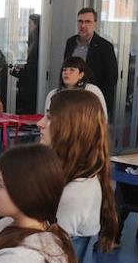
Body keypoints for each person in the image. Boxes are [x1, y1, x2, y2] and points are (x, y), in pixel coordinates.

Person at [39, 89, 119, 250]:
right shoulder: (74, 175)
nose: (39, 123)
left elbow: (42, 252)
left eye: (48, 117)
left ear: (70, 128)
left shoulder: (75, 193)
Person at [62, 7, 118, 115]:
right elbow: (66, 68)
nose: (83, 26)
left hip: (92, 99)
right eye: (80, 21)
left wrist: (99, 100)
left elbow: (111, 78)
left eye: (87, 22)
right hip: (71, 98)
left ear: (95, 24)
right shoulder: (71, 42)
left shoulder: (105, 46)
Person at [14, 13, 40, 115]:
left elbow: (32, 66)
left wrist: (21, 71)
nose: (27, 26)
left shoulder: (37, 43)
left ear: (36, 25)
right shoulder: (33, 41)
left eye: (30, 23)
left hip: (31, 83)